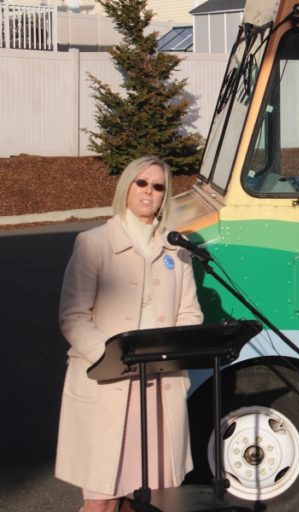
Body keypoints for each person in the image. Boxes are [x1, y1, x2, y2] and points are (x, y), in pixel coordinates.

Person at [55, 155, 203, 512]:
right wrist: (112, 356)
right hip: (109, 384)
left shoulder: (176, 250)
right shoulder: (94, 243)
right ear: (127, 186)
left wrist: (167, 350)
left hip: (158, 387)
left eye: (158, 186)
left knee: (153, 498)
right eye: (142, 183)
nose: (149, 192)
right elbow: (73, 317)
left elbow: (190, 313)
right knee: (102, 499)